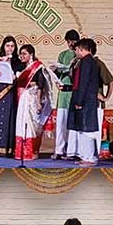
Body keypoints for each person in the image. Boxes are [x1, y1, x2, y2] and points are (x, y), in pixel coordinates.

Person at [58, 38, 101, 166]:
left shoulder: (87, 62)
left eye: (76, 49)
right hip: (85, 98)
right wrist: (66, 88)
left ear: (82, 49)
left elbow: (83, 84)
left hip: (86, 100)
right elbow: (78, 84)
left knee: (86, 130)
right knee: (82, 129)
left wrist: (79, 101)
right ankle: (86, 156)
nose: (75, 51)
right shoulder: (87, 62)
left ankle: (89, 158)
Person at [13, 44, 55, 160]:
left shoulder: (37, 67)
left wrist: (37, 102)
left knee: (31, 125)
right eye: (20, 54)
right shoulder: (21, 68)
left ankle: (32, 151)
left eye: (24, 54)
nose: (22, 56)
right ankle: (22, 152)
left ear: (31, 55)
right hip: (23, 99)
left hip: (32, 99)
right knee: (21, 124)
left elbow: (41, 84)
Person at [50, 29, 80, 159]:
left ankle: (71, 151)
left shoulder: (79, 56)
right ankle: (59, 150)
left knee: (72, 124)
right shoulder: (62, 54)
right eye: (68, 41)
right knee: (61, 124)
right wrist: (55, 70)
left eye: (73, 41)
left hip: (73, 92)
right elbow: (59, 74)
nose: (70, 44)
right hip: (63, 93)